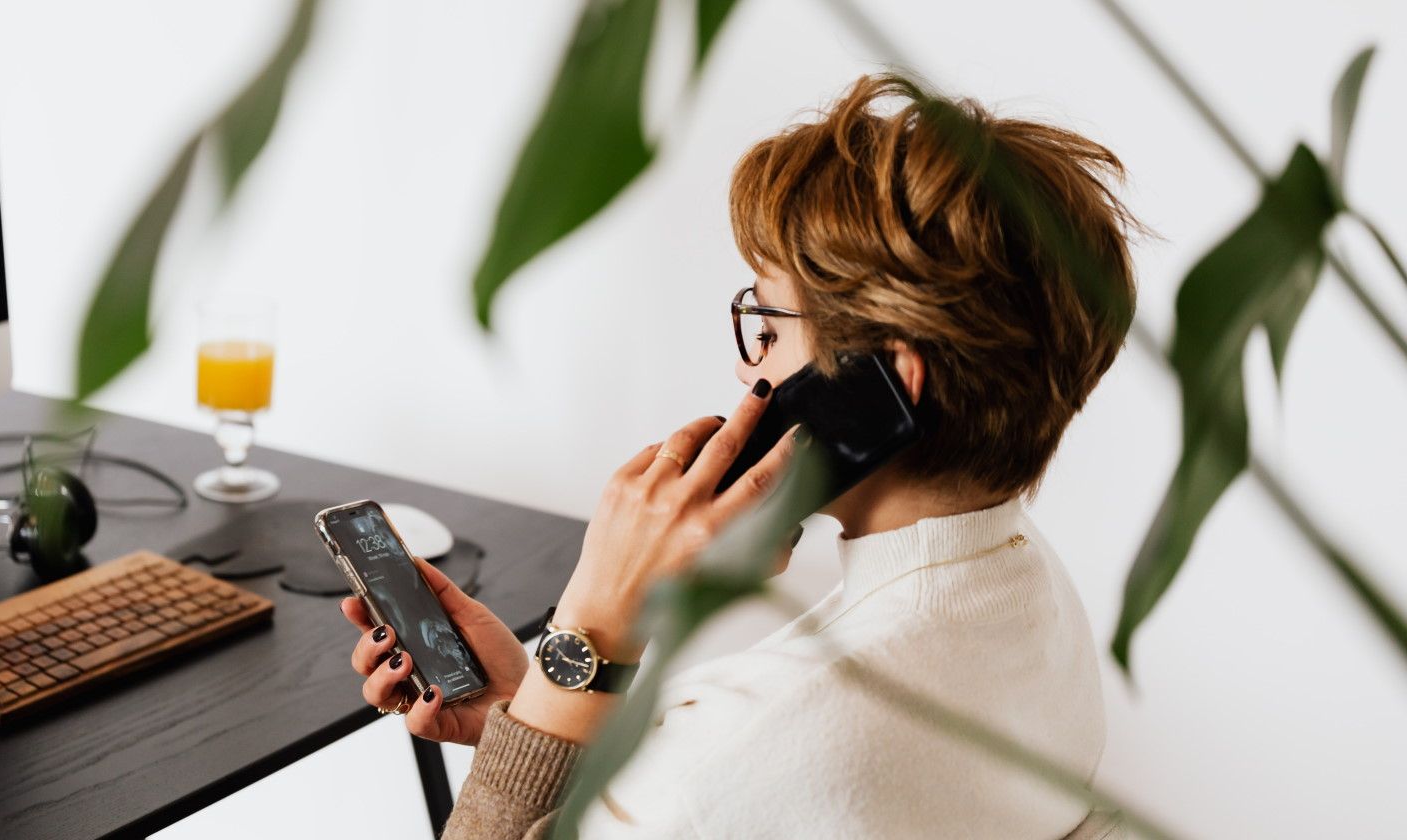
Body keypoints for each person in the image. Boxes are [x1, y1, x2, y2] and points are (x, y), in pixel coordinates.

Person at [340, 73, 1138, 838]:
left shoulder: (746, 744)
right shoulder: (1030, 593)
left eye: (768, 328)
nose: (746, 368)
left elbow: (722, 788)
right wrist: (543, 700)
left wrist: (591, 623)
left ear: (886, 381)